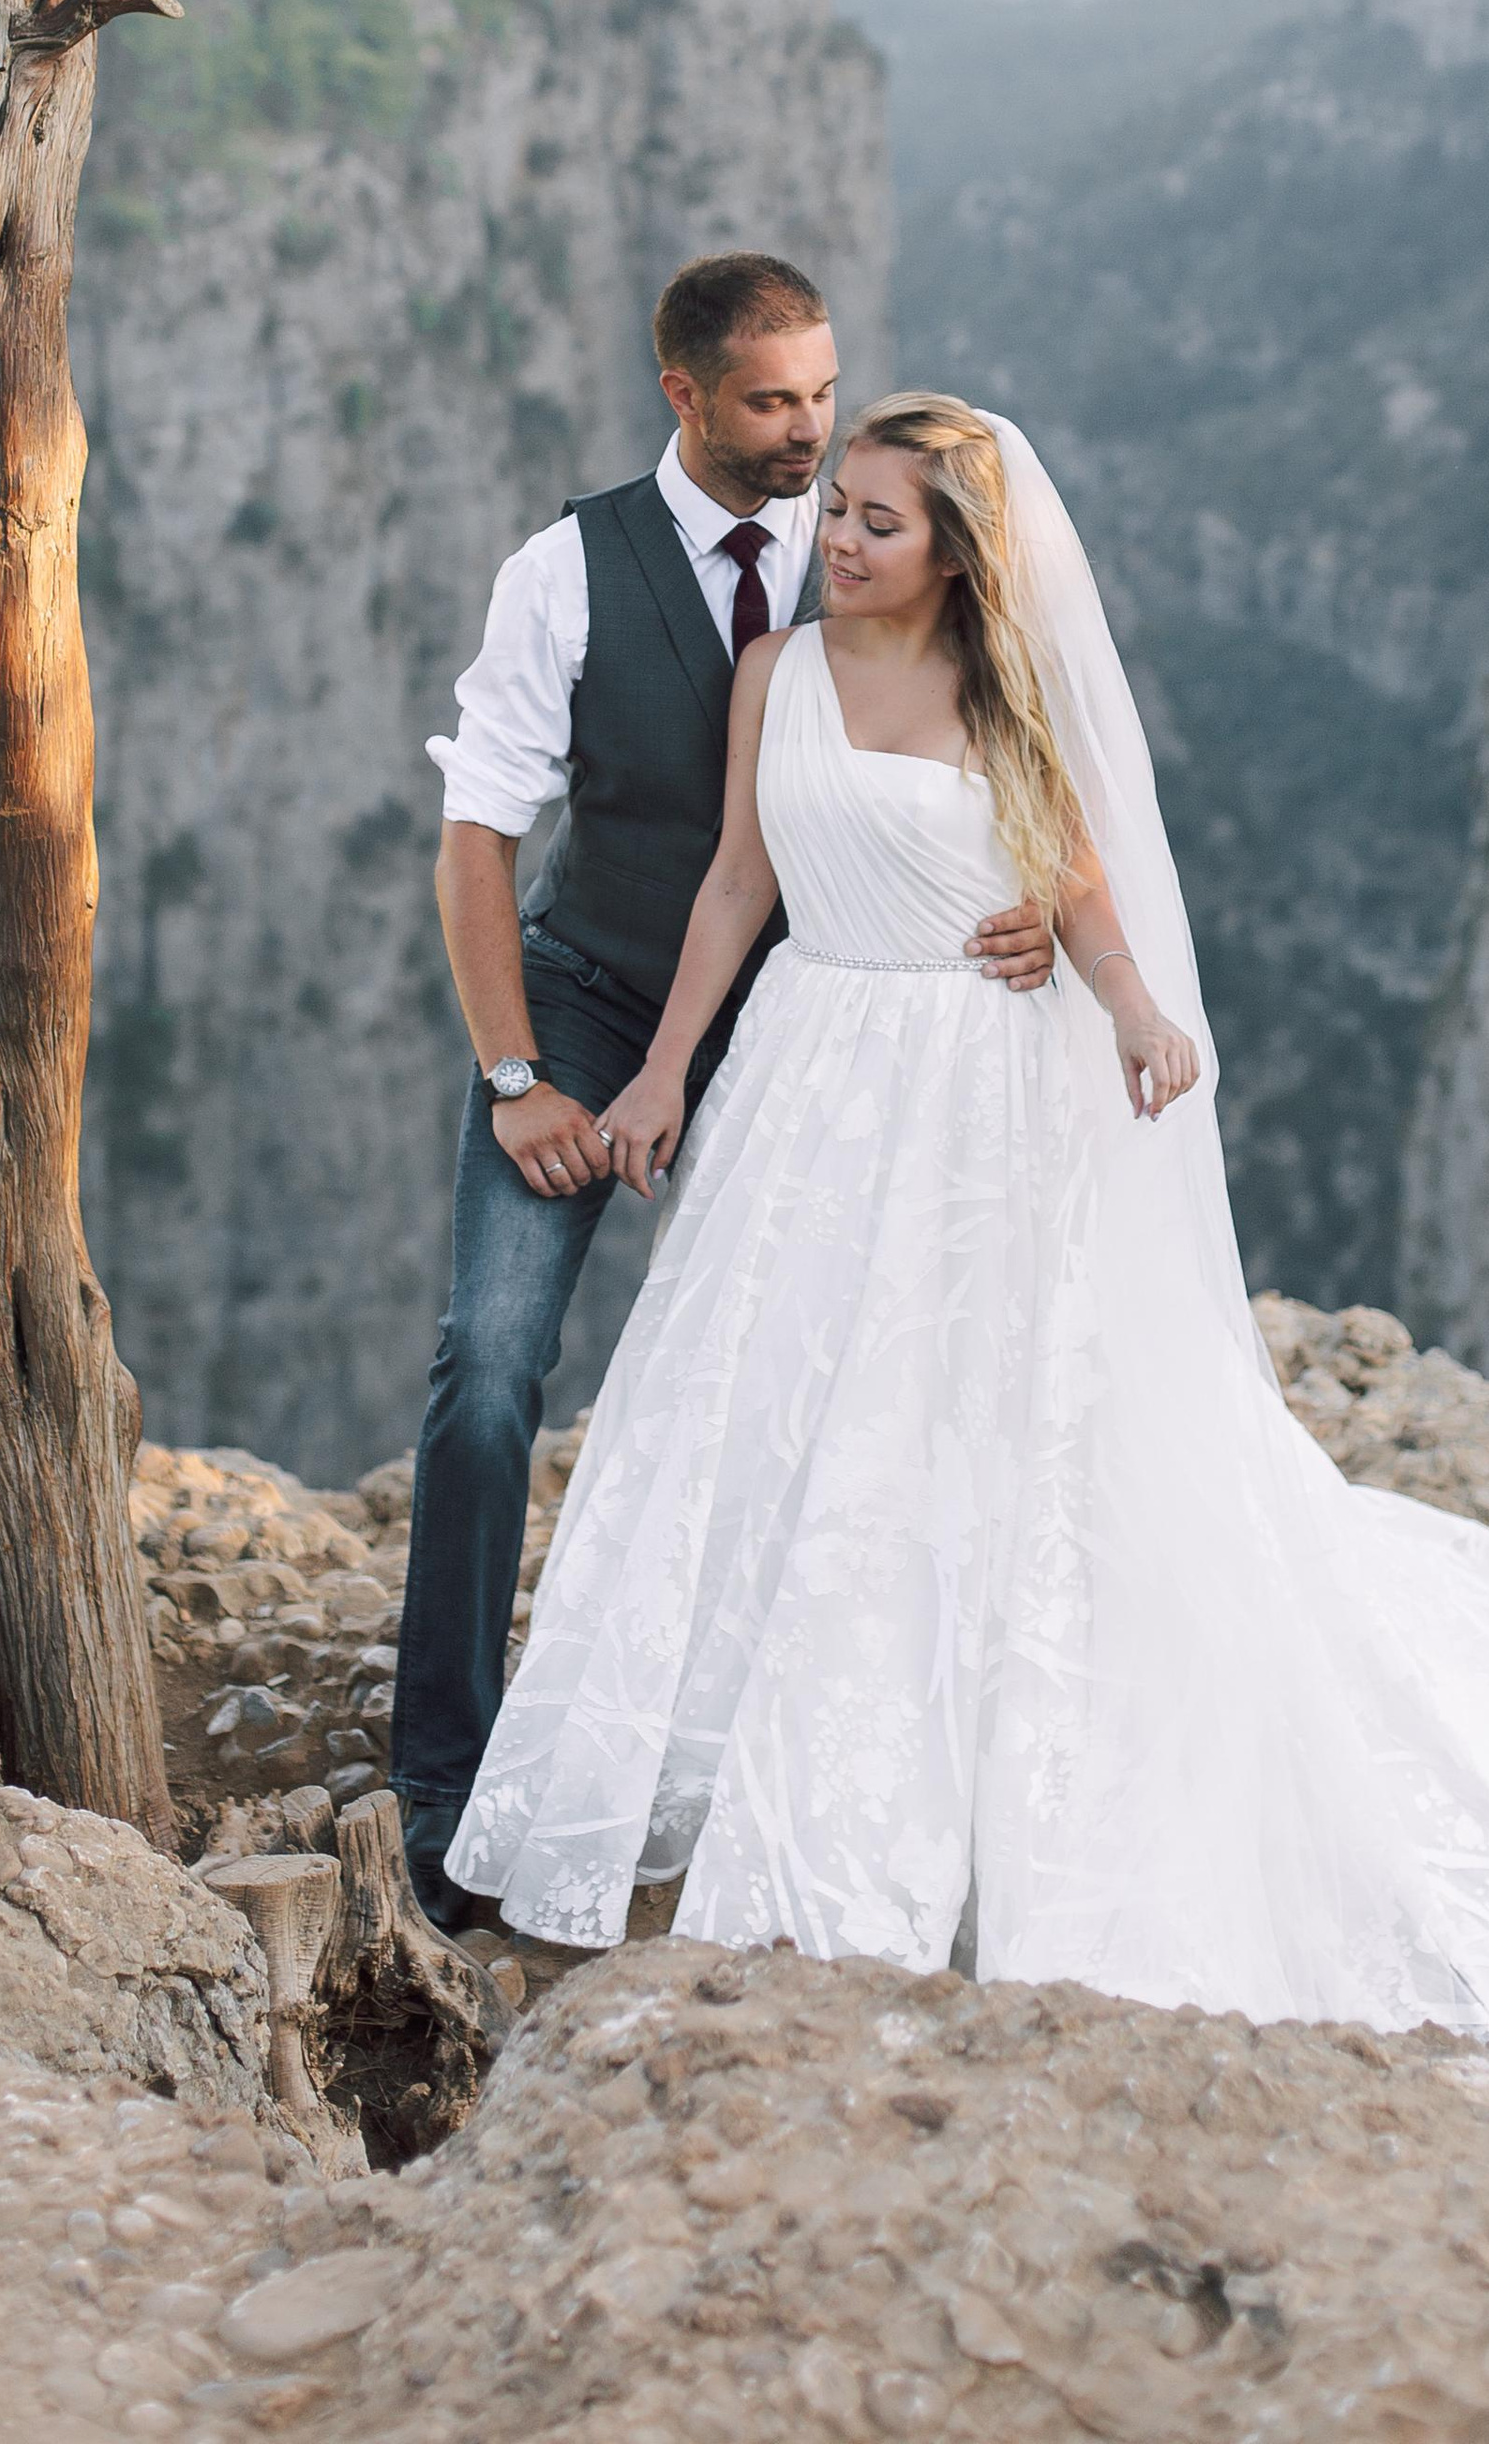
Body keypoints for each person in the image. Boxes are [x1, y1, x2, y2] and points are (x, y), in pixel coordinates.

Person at [450, 390, 1489, 2339]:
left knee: (947, 1446)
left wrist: (1128, 1010)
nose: (839, 537)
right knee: (786, 1434)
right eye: (837, 509)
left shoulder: (996, 685)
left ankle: (951, 1803)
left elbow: (1082, 870)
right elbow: (729, 886)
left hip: (967, 1093)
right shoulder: (771, 665)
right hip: (807, 1093)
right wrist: (662, 1067)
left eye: (875, 518)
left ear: (956, 551)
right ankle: (814, 1779)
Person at [394, 268, 1056, 1932]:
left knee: (846, 1387)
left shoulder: (883, 548)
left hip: (835, 1019)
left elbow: (1022, 757)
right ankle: (445, 1778)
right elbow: (477, 840)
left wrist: (1034, 893)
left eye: (824, 393)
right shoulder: (566, 574)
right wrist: (521, 1077)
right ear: (683, 394)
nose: (811, 432)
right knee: (489, 1368)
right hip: (601, 1002)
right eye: (773, 404)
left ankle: (808, 1766)